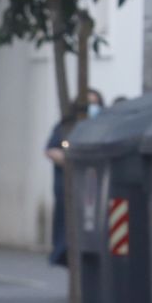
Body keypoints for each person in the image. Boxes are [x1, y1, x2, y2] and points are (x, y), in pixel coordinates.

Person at [45, 87, 103, 266]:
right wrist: (71, 160)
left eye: (95, 104)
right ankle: (64, 253)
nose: (92, 108)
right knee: (67, 222)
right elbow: (51, 150)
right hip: (68, 185)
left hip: (93, 187)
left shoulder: (103, 126)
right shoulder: (66, 127)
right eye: (88, 104)